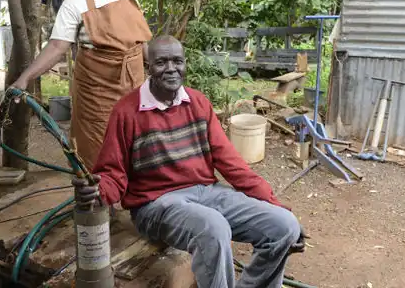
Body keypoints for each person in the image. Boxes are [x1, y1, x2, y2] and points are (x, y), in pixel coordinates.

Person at [73, 36, 308, 288]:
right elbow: (112, 172)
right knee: (214, 228)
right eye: (161, 62)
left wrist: (276, 205)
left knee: (284, 226)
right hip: (155, 204)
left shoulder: (198, 103)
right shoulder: (126, 111)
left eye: (177, 61)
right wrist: (99, 190)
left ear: (186, 64)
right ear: (148, 66)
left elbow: (231, 163)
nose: (171, 68)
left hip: (207, 193)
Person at [11, 0, 152, 170]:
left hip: (134, 84)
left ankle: (131, 196)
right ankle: (99, 197)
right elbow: (57, 47)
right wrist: (25, 77)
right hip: (97, 90)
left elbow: (141, 40)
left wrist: (158, 67)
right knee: (97, 144)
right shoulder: (76, 2)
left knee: (135, 138)